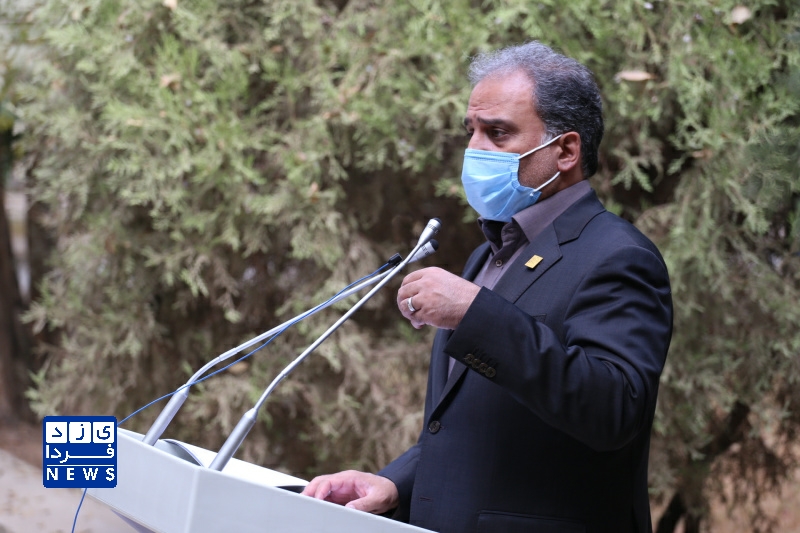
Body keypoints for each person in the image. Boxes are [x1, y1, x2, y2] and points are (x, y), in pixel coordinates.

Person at [302, 41, 673, 533]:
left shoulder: (618, 255)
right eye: (471, 131)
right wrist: (394, 484)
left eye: (498, 133)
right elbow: (466, 426)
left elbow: (613, 410)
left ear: (565, 150)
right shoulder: (490, 254)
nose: (475, 148)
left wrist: (476, 313)